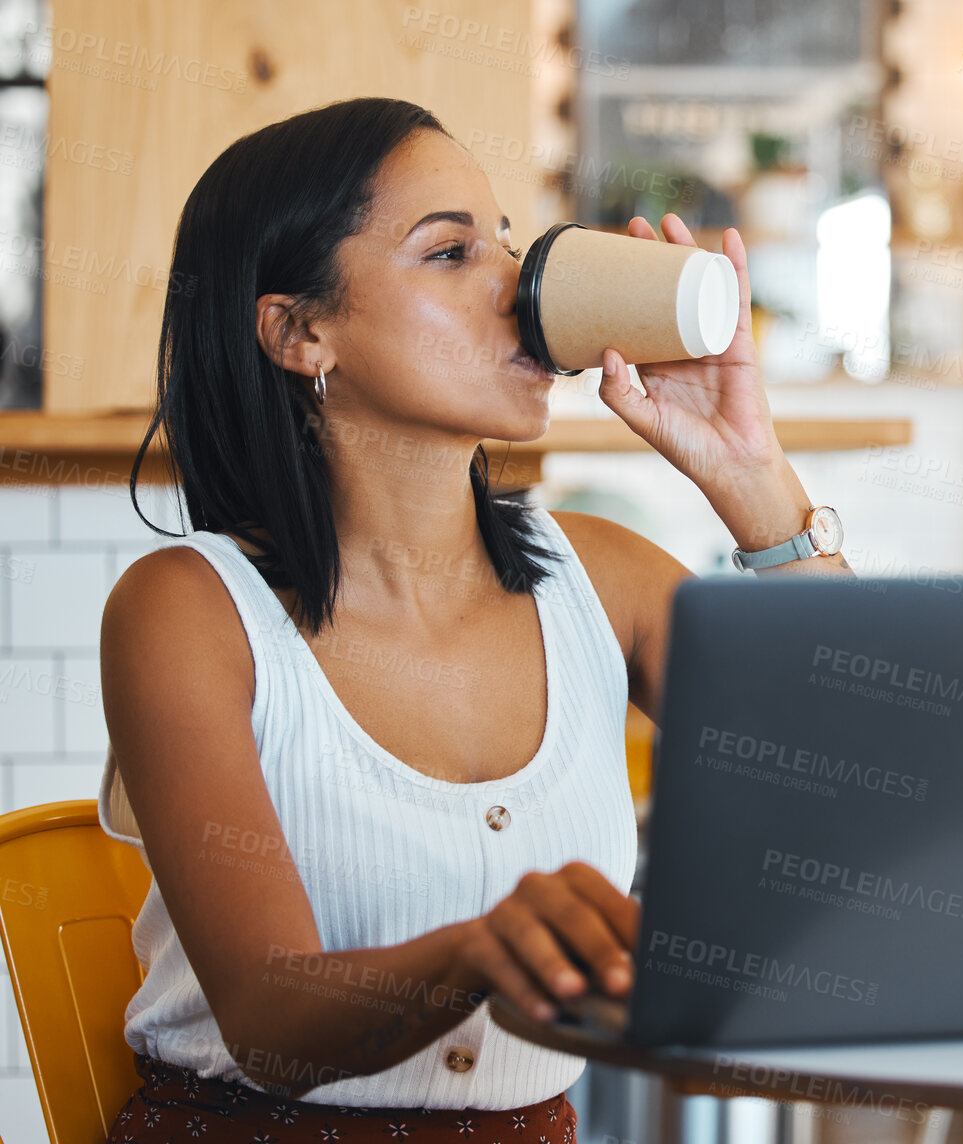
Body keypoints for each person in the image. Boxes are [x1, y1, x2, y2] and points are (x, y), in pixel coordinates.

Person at [97, 96, 854, 1142]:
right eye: (450, 252)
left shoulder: (603, 577)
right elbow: (270, 1020)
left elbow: (871, 776)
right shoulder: (188, 612)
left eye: (506, 240)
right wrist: (474, 951)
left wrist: (753, 473)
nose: (520, 287)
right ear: (300, 330)